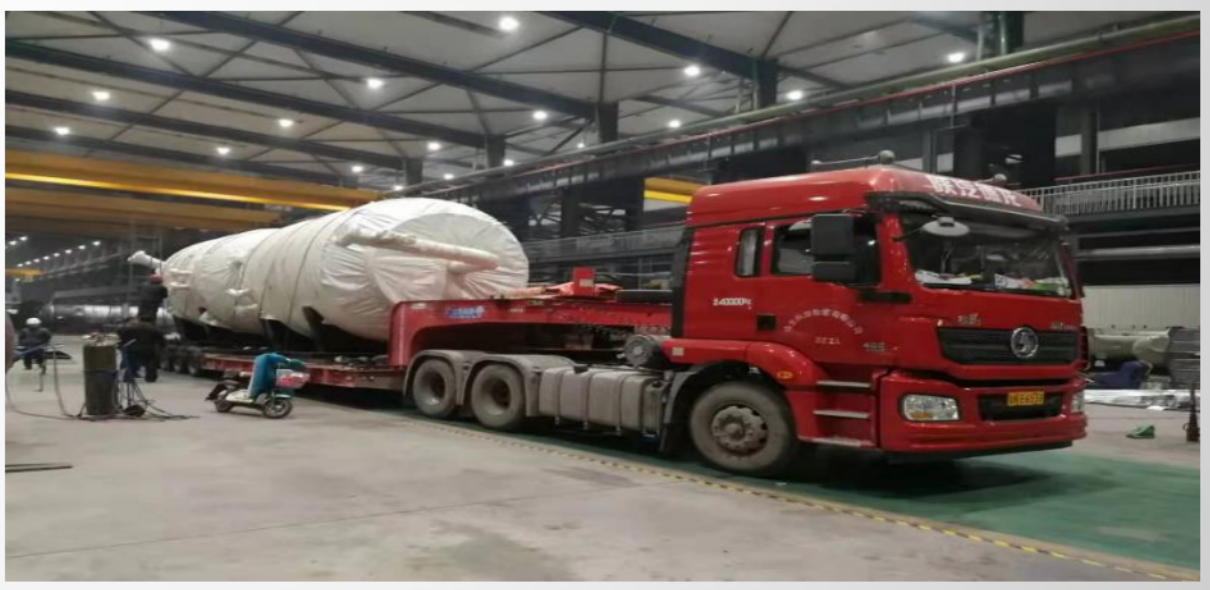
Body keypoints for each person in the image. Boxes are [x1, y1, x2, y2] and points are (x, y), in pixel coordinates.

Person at [117, 317, 166, 383]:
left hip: (134, 348)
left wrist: (123, 342)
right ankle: (150, 378)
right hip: (149, 349)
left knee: (131, 363)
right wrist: (162, 346)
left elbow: (122, 333)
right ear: (150, 322)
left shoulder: (134, 328)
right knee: (150, 363)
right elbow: (161, 339)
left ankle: (128, 377)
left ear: (140, 321)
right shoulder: (153, 329)